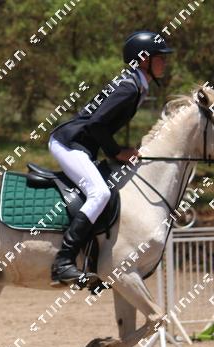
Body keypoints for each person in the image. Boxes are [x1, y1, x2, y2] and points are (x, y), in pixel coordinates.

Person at [48, 31, 173, 286]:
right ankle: (63, 262)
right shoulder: (129, 87)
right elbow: (96, 124)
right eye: (160, 57)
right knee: (100, 193)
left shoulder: (136, 84)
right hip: (69, 143)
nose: (165, 62)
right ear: (144, 60)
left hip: (83, 146)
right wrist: (117, 152)